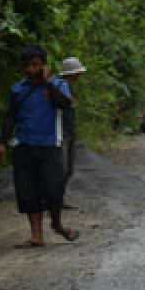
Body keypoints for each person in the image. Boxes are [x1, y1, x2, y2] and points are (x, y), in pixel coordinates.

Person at [0, 45, 79, 247]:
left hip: (51, 145)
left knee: (53, 189)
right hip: (23, 145)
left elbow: (65, 105)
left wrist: (47, 83)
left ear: (43, 65)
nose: (31, 69)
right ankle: (36, 235)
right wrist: (2, 142)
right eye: (27, 66)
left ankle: (57, 224)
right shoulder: (18, 89)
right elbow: (10, 117)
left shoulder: (59, 85)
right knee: (27, 192)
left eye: (35, 65)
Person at [58, 56, 87, 209]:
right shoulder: (61, 86)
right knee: (62, 168)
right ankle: (55, 200)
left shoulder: (67, 87)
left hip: (68, 131)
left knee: (68, 168)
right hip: (62, 132)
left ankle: (60, 199)